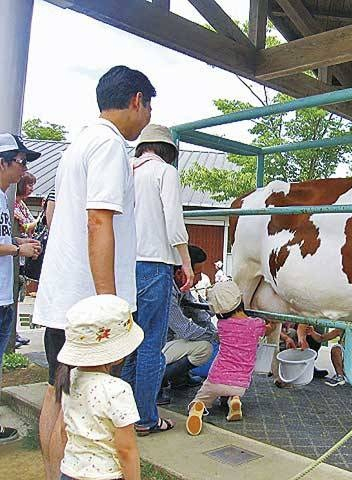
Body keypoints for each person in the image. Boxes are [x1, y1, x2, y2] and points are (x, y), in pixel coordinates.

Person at [33, 65, 155, 480]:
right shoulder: (108, 146)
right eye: (149, 105)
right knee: (89, 406)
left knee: (59, 395)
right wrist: (108, 304)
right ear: (137, 99)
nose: (149, 116)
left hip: (63, 299)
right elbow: (99, 221)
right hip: (90, 305)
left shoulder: (81, 142)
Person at [121, 124, 193, 436]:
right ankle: (146, 419)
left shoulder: (125, 170)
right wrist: (186, 262)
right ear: (167, 151)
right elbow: (174, 223)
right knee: (151, 345)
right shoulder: (164, 172)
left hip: (123, 267)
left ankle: (121, 414)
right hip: (155, 265)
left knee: (128, 345)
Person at [55, 295, 144, 480]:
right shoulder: (117, 390)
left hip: (70, 472)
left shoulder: (69, 377)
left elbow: (63, 432)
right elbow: (126, 450)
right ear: (118, 354)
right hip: (105, 475)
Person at [186, 281, 274, 436]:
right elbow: (268, 329)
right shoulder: (256, 324)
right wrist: (272, 323)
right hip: (240, 385)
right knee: (232, 390)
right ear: (240, 300)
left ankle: (198, 408)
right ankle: (234, 400)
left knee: (200, 398)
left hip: (216, 378)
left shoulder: (222, 325)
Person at [0, 133, 42, 443]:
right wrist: (18, 251)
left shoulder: (4, 198)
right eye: (19, 162)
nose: (22, 169)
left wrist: (17, 242)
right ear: (2, 162)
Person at [158, 245, 219, 405]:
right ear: (179, 273)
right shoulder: (165, 290)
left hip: (166, 343)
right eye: (196, 274)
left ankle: (180, 379)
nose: (198, 279)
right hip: (155, 348)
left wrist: (212, 330)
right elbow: (185, 329)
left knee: (199, 339)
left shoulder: (181, 285)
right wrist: (215, 336)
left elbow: (195, 311)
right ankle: (155, 384)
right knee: (204, 348)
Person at [308, 319, 352, 387]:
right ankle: (339, 376)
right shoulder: (342, 328)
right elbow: (321, 338)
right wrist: (312, 332)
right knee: (336, 348)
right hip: (345, 363)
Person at [13, 172, 37, 345]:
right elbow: (25, 225)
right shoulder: (11, 202)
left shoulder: (22, 204)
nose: (31, 189)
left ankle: (14, 332)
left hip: (22, 255)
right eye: (29, 184)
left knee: (18, 295)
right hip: (15, 253)